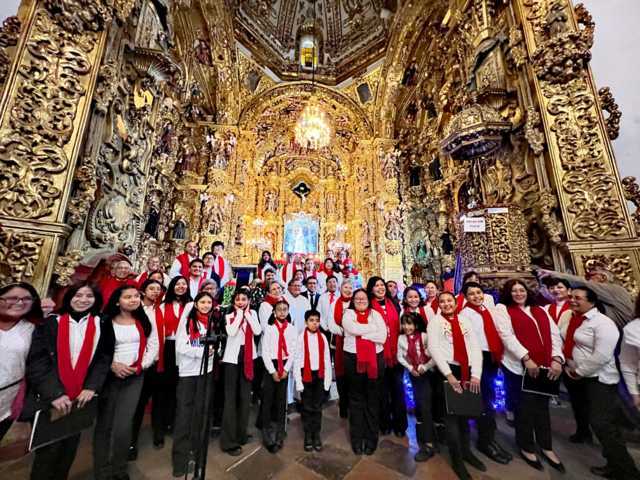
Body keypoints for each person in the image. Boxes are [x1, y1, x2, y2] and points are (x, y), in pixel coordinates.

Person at [24, 283, 110, 480]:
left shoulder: (102, 323)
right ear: (69, 297)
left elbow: (104, 357)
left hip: (81, 397)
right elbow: (38, 360)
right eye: (78, 295)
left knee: (69, 448)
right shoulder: (51, 322)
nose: (83, 300)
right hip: (51, 397)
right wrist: (55, 393)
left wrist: (91, 387)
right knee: (48, 451)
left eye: (89, 296)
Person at [568, 287, 640, 480]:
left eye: (577, 298)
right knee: (601, 424)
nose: (572, 300)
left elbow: (602, 355)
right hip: (590, 378)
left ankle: (627, 471)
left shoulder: (603, 323)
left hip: (601, 379)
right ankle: (614, 465)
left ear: (591, 301)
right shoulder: (584, 320)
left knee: (603, 424)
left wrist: (578, 371)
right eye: (571, 297)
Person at [495, 279, 565, 472]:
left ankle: (546, 446)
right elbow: (506, 336)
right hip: (518, 367)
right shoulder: (502, 309)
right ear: (508, 293)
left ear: (527, 292)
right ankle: (526, 447)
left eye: (522, 290)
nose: (519, 293)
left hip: (544, 365)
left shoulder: (540, 310)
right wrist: (526, 357)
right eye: (514, 291)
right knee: (524, 408)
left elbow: (554, 335)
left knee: (542, 407)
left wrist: (557, 358)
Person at [94, 285, 158, 480]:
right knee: (105, 424)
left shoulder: (144, 320)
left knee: (123, 425)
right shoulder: (104, 321)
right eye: (127, 297)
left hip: (134, 376)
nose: (133, 300)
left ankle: (119, 468)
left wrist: (141, 366)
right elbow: (97, 349)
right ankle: (102, 470)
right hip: (109, 377)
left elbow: (153, 344)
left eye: (136, 296)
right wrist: (112, 365)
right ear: (117, 301)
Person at [428, 292, 485, 480]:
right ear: (439, 305)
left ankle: (467, 451)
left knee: (465, 415)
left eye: (449, 301)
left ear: (455, 302)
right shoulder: (435, 322)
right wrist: (449, 375)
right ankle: (457, 459)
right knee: (451, 418)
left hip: (467, 370)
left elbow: (475, 346)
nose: (446, 304)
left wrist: (476, 374)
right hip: (448, 371)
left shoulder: (464, 320)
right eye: (442, 302)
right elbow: (434, 349)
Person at [458, 282, 511, 464]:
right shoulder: (465, 315)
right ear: (465, 297)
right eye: (471, 294)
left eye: (479, 292)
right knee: (484, 401)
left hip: (491, 358)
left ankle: (490, 438)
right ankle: (485, 441)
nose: (476, 296)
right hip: (478, 359)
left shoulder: (485, 310)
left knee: (489, 399)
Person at [172, 292, 216, 477]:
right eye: (202, 302)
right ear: (196, 304)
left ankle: (197, 452)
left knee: (201, 414)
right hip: (189, 373)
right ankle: (179, 459)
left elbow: (216, 344)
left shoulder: (212, 322)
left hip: (206, 371)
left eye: (209, 302)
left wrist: (214, 350)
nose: (206, 305)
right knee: (184, 416)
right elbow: (181, 346)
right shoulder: (188, 322)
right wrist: (202, 352)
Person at [342, 288, 387, 455]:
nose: (361, 301)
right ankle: (357, 439)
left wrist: (363, 334)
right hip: (352, 359)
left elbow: (382, 336)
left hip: (375, 359)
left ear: (369, 300)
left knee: (372, 399)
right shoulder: (348, 314)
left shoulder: (376, 314)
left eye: (364, 299)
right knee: (356, 399)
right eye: (357, 299)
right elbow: (351, 328)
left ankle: (371, 439)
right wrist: (372, 329)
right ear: (353, 301)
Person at [220, 291, 261, 456]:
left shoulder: (253, 314)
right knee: (230, 399)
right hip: (232, 359)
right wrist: (239, 314)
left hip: (248, 358)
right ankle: (228, 441)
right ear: (233, 302)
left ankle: (241, 433)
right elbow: (231, 332)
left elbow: (257, 331)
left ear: (249, 300)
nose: (241, 302)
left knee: (245, 398)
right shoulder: (229, 315)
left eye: (244, 299)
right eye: (238, 299)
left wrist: (247, 314)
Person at [0, 283, 42, 442]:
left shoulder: (34, 329)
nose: (19, 303)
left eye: (26, 299)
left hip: (7, 398)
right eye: (12, 298)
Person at [130, 279, 166, 459]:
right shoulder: (136, 310)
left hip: (158, 360)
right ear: (143, 291)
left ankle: (158, 433)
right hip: (140, 361)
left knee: (159, 400)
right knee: (138, 403)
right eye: (152, 288)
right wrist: (143, 362)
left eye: (158, 289)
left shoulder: (161, 309)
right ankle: (131, 441)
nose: (155, 292)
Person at [367, 276, 406, 437]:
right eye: (376, 286)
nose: (380, 288)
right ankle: (384, 423)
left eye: (382, 285)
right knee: (381, 392)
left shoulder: (394, 304)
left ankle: (400, 425)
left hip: (396, 354)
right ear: (371, 289)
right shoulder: (368, 306)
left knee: (398, 390)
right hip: (378, 355)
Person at [397, 312, 436, 462]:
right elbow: (400, 356)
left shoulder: (425, 337)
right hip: (414, 374)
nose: (406, 327)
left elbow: (435, 355)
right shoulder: (401, 339)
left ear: (417, 325)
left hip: (428, 373)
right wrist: (410, 368)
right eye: (404, 323)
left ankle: (429, 443)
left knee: (426, 406)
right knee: (420, 403)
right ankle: (423, 434)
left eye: (410, 323)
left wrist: (425, 367)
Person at [537, 266, 633, 327]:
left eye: (591, 276)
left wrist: (554, 274)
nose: (588, 279)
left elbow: (585, 284)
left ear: (603, 277)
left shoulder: (615, 289)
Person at [156, 276, 192, 438]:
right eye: (178, 284)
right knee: (165, 387)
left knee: (181, 387)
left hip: (185, 349)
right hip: (167, 348)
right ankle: (161, 426)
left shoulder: (191, 305)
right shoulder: (163, 306)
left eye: (184, 284)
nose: (181, 286)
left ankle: (177, 423)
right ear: (172, 286)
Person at [260, 300, 296, 453]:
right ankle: (266, 433)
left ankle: (280, 432)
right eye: (279, 309)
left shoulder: (292, 329)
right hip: (271, 366)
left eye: (285, 309)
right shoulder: (269, 329)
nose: (282, 312)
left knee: (281, 400)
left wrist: (286, 369)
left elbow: (293, 350)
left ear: (288, 311)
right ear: (274, 312)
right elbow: (265, 351)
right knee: (268, 400)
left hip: (285, 366)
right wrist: (272, 371)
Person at [294, 310, 331, 452]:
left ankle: (316, 434)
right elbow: (297, 360)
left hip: (319, 376)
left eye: (317, 320)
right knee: (307, 407)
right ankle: (308, 435)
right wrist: (298, 381)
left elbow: (327, 360)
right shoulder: (300, 338)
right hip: (306, 375)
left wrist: (327, 381)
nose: (314, 323)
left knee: (317, 407)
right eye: (311, 320)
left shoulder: (323, 338)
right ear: (306, 322)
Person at [328, 279, 354, 418]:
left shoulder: (356, 302)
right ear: (341, 289)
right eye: (345, 287)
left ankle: (352, 404)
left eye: (350, 288)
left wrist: (351, 330)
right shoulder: (334, 304)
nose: (348, 290)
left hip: (354, 342)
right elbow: (330, 323)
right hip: (339, 341)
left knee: (352, 373)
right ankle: (343, 404)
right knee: (341, 374)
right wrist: (343, 331)